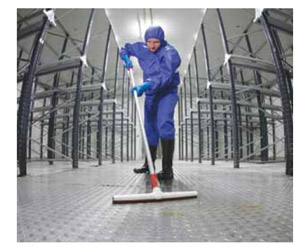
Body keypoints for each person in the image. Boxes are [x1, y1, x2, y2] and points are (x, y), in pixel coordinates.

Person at [120, 26, 181, 180]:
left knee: (164, 124)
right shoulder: (142, 48)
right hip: (151, 94)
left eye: (156, 42)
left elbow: (165, 76)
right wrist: (126, 57)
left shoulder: (170, 53)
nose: (152, 45)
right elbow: (125, 48)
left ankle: (168, 170)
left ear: (161, 40)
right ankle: (149, 165)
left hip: (166, 92)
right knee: (150, 128)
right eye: (149, 42)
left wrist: (146, 84)